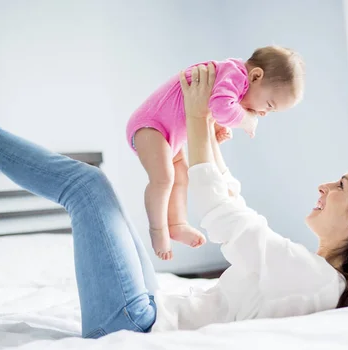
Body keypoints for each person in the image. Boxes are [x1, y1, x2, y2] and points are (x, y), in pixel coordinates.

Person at [0, 55, 348, 339]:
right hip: (157, 310)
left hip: (136, 326)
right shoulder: (311, 276)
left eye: (341, 187)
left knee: (88, 185)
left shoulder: (313, 280)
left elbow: (226, 214)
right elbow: (236, 206)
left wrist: (197, 119)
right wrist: (208, 138)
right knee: (113, 198)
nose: (324, 186)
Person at [127, 46, 304, 260]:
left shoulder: (231, 77)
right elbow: (221, 107)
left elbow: (212, 107)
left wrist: (217, 127)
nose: (264, 113)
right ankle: (158, 230)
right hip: (150, 126)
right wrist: (246, 120)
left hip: (169, 136)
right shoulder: (236, 74)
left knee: (181, 177)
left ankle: (176, 224)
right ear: (256, 76)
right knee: (164, 179)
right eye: (269, 105)